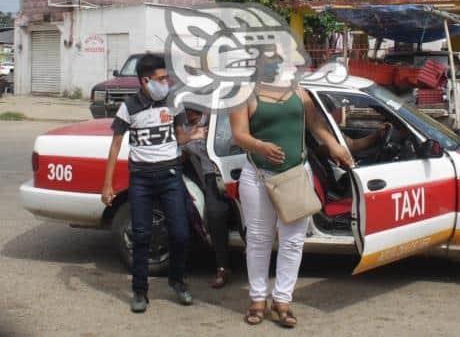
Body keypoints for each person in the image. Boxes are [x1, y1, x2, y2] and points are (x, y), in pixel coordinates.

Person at [230, 52, 353, 328]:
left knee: (294, 240)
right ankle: (258, 299)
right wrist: (260, 146)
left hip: (296, 175)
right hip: (259, 176)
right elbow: (239, 134)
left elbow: (316, 124)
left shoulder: (298, 89)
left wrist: (334, 145)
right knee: (259, 240)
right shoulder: (244, 93)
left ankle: (282, 301)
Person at [101, 54, 205, 313]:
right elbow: (115, 146)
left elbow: (181, 137)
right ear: (145, 80)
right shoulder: (129, 107)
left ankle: (177, 281)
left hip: (171, 175)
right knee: (141, 236)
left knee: (181, 234)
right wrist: (107, 185)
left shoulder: (173, 103)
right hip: (142, 180)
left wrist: (194, 133)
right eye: (161, 79)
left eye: (167, 77)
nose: (166, 82)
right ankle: (139, 291)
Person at [180, 108, 232, 288]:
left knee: (217, 214)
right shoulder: (184, 126)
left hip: (226, 171)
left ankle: (225, 266)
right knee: (213, 215)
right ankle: (223, 267)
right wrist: (190, 138)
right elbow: (183, 154)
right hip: (208, 177)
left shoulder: (215, 119)